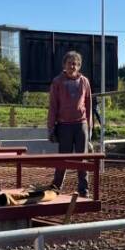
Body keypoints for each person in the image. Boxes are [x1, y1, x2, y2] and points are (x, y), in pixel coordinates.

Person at [47, 50, 93, 196]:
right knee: (63, 159)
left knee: (82, 159)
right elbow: (53, 105)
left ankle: (83, 190)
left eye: (75, 64)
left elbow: (88, 103)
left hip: (81, 125)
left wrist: (90, 126)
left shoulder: (84, 81)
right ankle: (56, 187)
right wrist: (51, 128)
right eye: (70, 63)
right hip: (64, 125)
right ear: (64, 65)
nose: (72, 66)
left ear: (79, 66)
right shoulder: (57, 82)